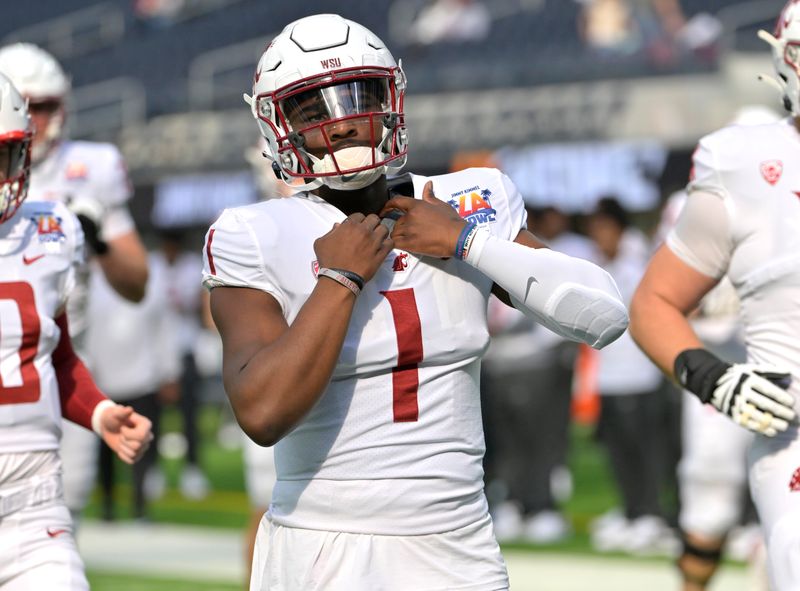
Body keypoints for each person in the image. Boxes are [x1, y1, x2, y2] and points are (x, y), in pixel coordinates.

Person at [204, 14, 628, 590]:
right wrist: (339, 281)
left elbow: (604, 315)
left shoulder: (465, 200)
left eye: (357, 96)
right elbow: (261, 412)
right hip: (325, 545)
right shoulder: (253, 231)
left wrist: (465, 242)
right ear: (278, 127)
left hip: (460, 540)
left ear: (392, 98)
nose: (343, 123)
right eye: (314, 108)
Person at [630, 3, 800, 588]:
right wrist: (712, 376)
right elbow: (654, 301)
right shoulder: (744, 165)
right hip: (788, 432)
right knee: (709, 494)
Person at [0, 72, 153, 591]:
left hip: (33, 503)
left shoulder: (47, 233)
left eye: (2, 157)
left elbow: (57, 358)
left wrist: (99, 410)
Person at [586, 197, 675, 555]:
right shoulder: (599, 264)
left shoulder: (635, 266)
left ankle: (653, 516)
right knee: (620, 453)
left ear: (620, 230)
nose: (598, 238)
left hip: (639, 378)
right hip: (609, 378)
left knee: (646, 454)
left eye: (604, 230)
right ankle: (633, 511)